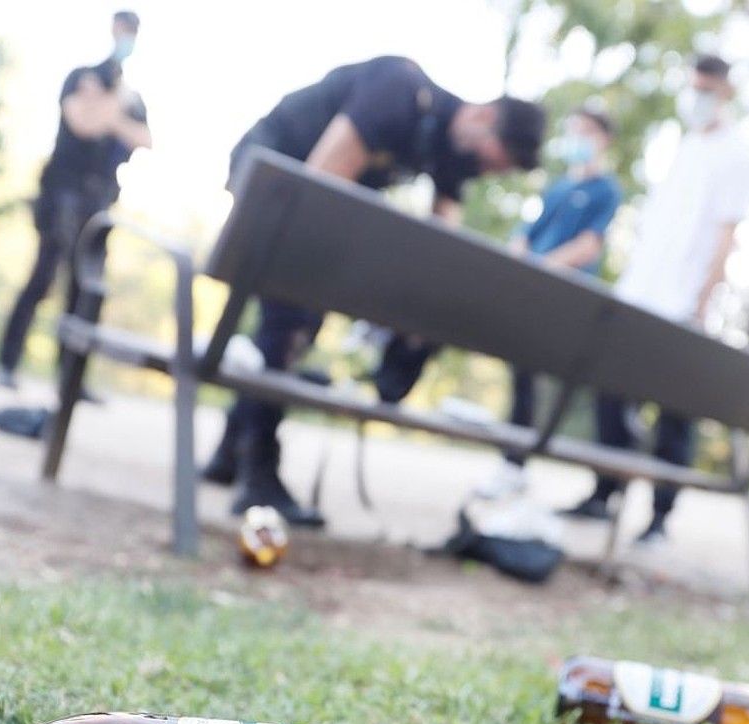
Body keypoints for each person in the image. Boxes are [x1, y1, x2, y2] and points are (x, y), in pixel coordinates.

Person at [201, 56, 546, 528]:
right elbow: (318, 185)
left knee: (301, 316)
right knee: (292, 313)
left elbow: (444, 256)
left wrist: (415, 315)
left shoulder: (453, 153)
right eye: (489, 160)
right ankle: (257, 472)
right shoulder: (398, 89)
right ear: (484, 117)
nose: (482, 171)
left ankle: (230, 453)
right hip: (275, 170)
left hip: (314, 201)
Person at [561, 54, 749, 545]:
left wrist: (702, 300)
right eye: (693, 87)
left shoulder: (738, 152)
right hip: (640, 292)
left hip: (683, 302)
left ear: (725, 93)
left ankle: (659, 516)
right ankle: (603, 492)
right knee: (610, 393)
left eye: (706, 90)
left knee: (674, 412)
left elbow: (726, 233)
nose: (696, 98)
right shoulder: (685, 146)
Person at [0, 10, 153, 391]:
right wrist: (112, 110)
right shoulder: (81, 77)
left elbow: (144, 139)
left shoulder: (128, 95)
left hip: (99, 199)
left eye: (131, 32)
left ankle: (70, 381)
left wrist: (106, 108)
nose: (125, 38)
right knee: (43, 277)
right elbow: (82, 124)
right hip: (61, 192)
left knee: (85, 290)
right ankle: (7, 364)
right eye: (122, 30)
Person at [474, 107, 623, 500]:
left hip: (567, 296)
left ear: (604, 138)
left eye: (587, 130)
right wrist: (521, 255)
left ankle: (600, 484)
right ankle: (514, 463)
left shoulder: (606, 189)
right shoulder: (556, 187)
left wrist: (545, 265)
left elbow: (589, 244)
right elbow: (527, 230)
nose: (579, 138)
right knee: (521, 377)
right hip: (531, 292)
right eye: (574, 130)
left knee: (567, 384)